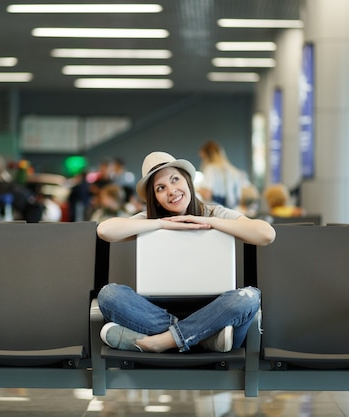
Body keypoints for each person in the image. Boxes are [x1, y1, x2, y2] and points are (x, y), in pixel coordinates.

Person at [96, 151, 276, 353]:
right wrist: (161, 224)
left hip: (215, 309)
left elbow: (266, 234)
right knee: (108, 294)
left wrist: (208, 222)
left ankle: (159, 342)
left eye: (175, 180)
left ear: (188, 181)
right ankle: (202, 338)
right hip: (162, 313)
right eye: (161, 188)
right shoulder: (150, 220)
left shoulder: (214, 213)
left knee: (249, 297)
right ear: (154, 198)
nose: (171, 191)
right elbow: (104, 230)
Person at [198, 140, 249, 209]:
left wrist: (197, 190)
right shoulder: (233, 171)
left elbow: (207, 195)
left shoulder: (210, 169)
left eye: (203, 157)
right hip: (233, 211)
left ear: (207, 156)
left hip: (217, 210)